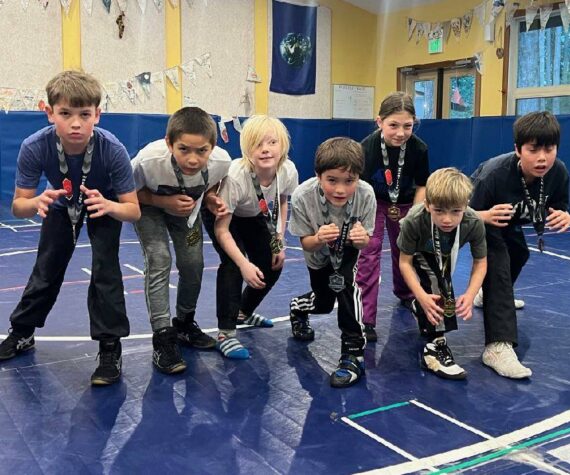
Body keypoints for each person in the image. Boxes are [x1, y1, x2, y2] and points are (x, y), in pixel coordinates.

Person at [0, 70, 140, 385]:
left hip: (102, 204)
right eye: (65, 113)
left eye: (84, 114)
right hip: (61, 205)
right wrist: (36, 202)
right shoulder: (35, 146)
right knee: (46, 269)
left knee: (106, 272)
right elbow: (18, 207)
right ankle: (22, 333)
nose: (75, 123)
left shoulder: (112, 149)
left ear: (97, 115)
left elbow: (133, 210)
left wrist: (110, 206)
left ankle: (109, 347)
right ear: (48, 113)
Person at [131, 107, 231, 374]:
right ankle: (163, 336)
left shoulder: (222, 162)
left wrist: (210, 198)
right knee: (159, 258)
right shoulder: (148, 160)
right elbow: (128, 193)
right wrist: (163, 201)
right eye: (184, 149)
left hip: (187, 213)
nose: (193, 159)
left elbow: (213, 184)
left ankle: (184, 323)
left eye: (202, 151)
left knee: (193, 263)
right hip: (149, 208)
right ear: (169, 143)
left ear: (213, 146)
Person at [470, 111, 570, 379]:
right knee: (498, 265)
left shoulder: (558, 171)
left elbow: (560, 204)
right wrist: (484, 216)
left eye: (549, 149)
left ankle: (488, 296)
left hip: (510, 222)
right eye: (533, 150)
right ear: (517, 150)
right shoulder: (492, 175)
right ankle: (496, 346)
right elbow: (459, 215)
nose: (542, 158)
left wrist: (564, 214)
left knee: (520, 253)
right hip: (482, 220)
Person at [289, 137, 376, 388]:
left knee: (348, 290)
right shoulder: (303, 196)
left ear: (358, 177)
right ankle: (298, 306)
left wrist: (361, 239)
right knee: (324, 303)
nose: (340, 190)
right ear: (318, 176)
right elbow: (306, 243)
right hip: (317, 256)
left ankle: (352, 353)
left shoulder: (366, 194)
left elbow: (365, 241)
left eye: (349, 181)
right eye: (332, 180)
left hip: (347, 254)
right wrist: (318, 238)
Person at [213, 115, 298, 359]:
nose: (265, 149)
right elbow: (222, 230)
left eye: (272, 142)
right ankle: (226, 333)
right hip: (227, 218)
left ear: (282, 145)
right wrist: (244, 264)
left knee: (274, 264)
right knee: (232, 265)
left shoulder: (287, 170)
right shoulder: (236, 176)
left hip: (255, 214)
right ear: (246, 150)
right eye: (257, 144)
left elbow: (282, 202)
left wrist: (278, 240)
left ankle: (244, 311)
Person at [398, 168, 487, 379]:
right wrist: (421, 295)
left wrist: (471, 293)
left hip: (445, 253)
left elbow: (481, 262)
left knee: (440, 286)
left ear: (465, 206)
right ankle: (435, 347)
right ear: (428, 205)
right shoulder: (414, 221)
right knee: (438, 288)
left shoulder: (473, 222)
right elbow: (404, 262)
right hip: (417, 250)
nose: (447, 219)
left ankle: (420, 309)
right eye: (439, 211)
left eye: (455, 211)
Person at [356, 92, 430, 343]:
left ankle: (406, 294)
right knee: (369, 253)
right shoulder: (366, 148)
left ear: (414, 123)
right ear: (379, 122)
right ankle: (366, 318)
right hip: (374, 201)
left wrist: (416, 215)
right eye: (393, 125)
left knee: (406, 250)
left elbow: (422, 185)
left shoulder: (419, 148)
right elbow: (361, 187)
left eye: (407, 126)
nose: (400, 132)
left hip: (407, 202)